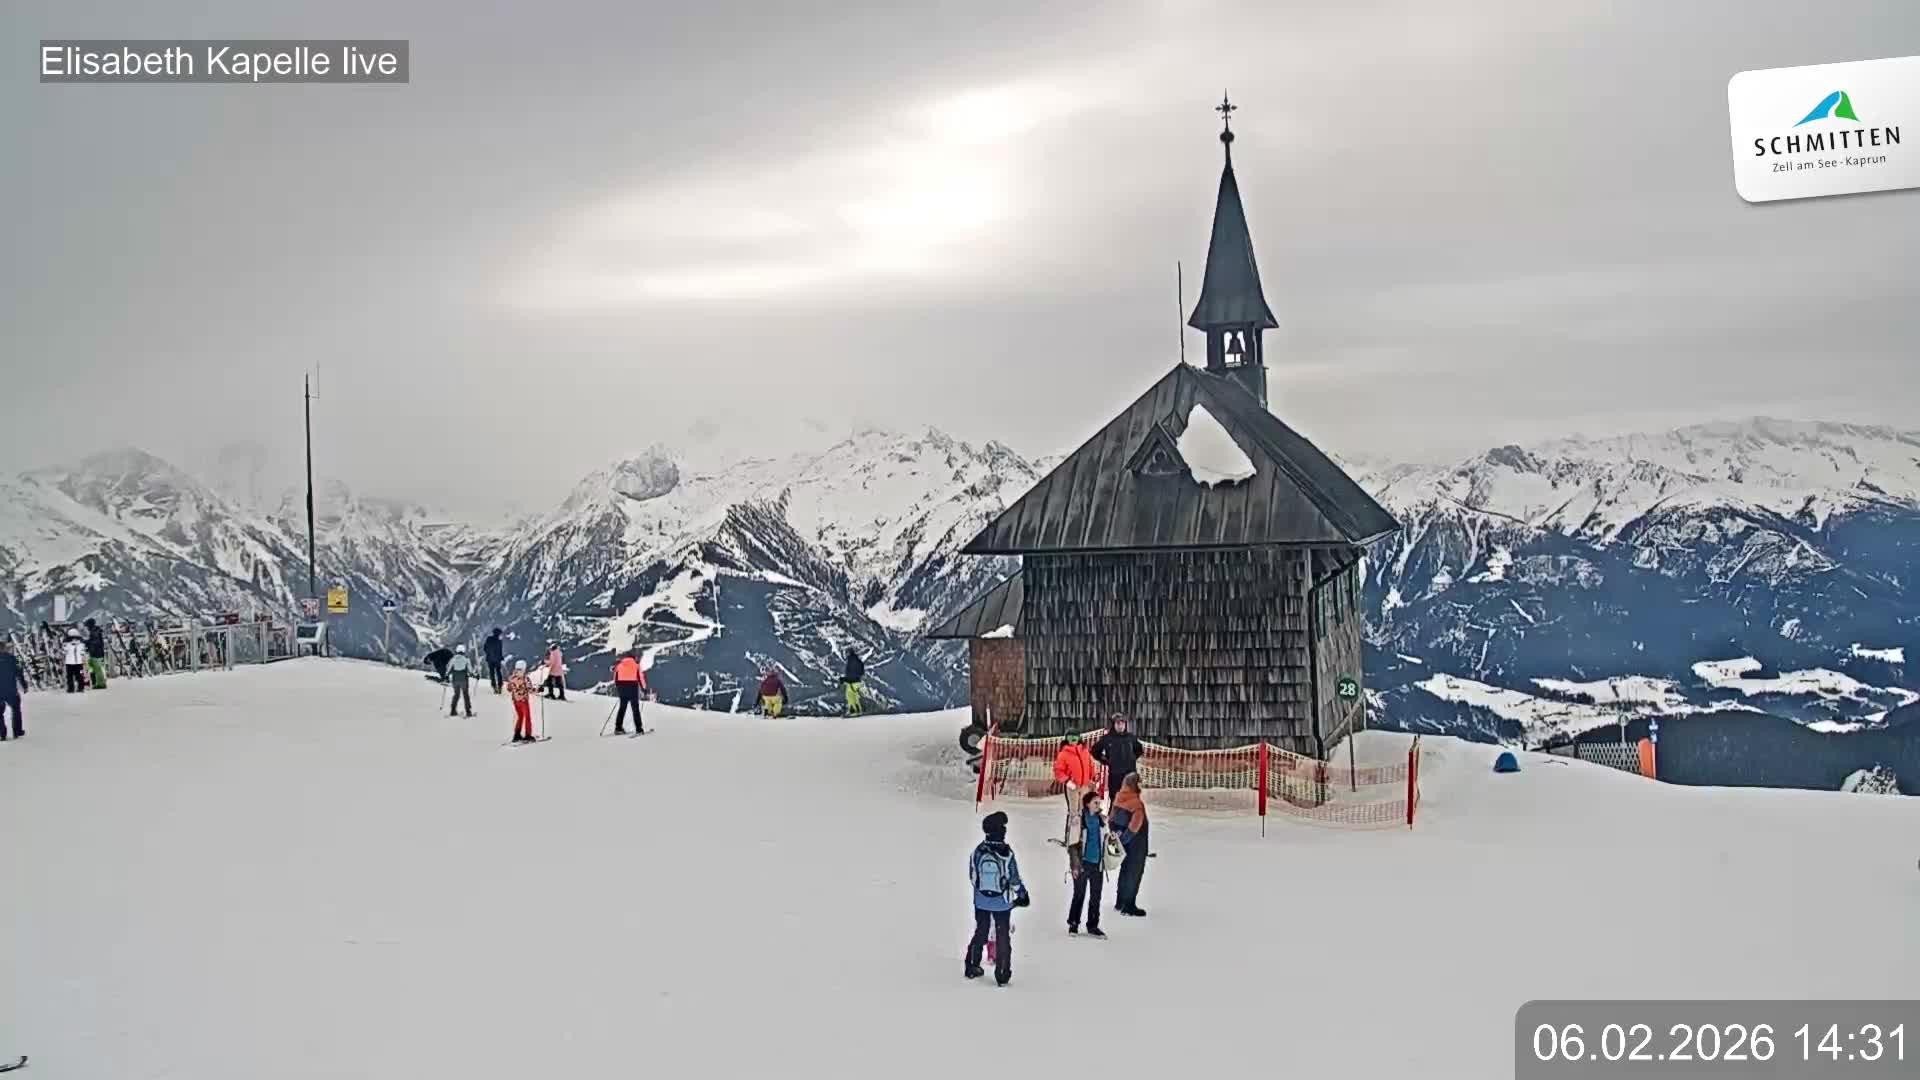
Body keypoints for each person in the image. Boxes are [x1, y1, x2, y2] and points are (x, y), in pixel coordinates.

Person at [965, 810, 1027, 986]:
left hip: (981, 901)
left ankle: (972, 965)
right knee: (1002, 937)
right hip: (1002, 903)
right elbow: (1014, 878)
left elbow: (973, 876)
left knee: (981, 931)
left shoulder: (978, 851)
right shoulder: (1006, 853)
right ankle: (1002, 972)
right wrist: (1022, 894)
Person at [1066, 790, 1109, 938]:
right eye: (1095, 802)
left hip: (1098, 864)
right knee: (1079, 894)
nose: (1098, 805)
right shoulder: (1079, 820)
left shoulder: (1102, 821)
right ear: (1087, 804)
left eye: (1099, 803)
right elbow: (1072, 845)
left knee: (1096, 896)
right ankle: (1073, 923)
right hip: (1083, 863)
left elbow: (1105, 841)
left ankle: (1093, 925)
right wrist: (1075, 865)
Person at [1109, 772, 1150, 917]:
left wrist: (1118, 842)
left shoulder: (1118, 797)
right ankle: (1129, 905)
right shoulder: (1136, 804)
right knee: (1134, 873)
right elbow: (1135, 826)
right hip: (1136, 846)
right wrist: (1126, 839)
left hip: (1122, 844)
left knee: (1124, 871)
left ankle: (1120, 902)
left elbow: (1111, 820)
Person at [1052, 732, 1098, 842]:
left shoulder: (1085, 751)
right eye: (1070, 737)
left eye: (1075, 737)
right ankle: (1070, 838)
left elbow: (1090, 765)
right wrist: (1067, 781)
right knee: (1074, 812)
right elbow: (1058, 770)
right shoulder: (1064, 753)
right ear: (1066, 739)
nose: (1073, 739)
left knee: (1084, 810)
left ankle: (1081, 836)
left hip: (1085, 786)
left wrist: (1093, 777)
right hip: (1072, 787)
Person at [1092, 713, 1143, 797]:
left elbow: (1139, 750)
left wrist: (1132, 759)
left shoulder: (1131, 738)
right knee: (1115, 799)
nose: (1121, 726)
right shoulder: (1107, 738)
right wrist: (1106, 761)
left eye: (1123, 723)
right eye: (1118, 723)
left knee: (1131, 798)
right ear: (1113, 724)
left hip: (1130, 774)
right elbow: (1095, 751)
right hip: (1115, 775)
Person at [612, 649, 649, 735]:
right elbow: (640, 678)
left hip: (622, 687)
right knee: (635, 708)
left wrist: (618, 688)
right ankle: (639, 729)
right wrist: (644, 689)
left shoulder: (619, 665)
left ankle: (618, 728)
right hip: (632, 687)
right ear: (633, 658)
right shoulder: (636, 665)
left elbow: (615, 678)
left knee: (622, 707)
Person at [0, 639, 28, 741]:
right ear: (4, 648)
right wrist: (24, 686)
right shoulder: (12, 659)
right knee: (16, 710)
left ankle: (2, 733)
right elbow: (19, 673)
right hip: (11, 689)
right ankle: (17, 731)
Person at [504, 660, 537, 743]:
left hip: (516, 701)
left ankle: (517, 734)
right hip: (524, 700)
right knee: (527, 717)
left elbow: (508, 689)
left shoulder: (512, 678)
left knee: (520, 717)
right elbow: (530, 689)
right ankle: (528, 735)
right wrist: (539, 690)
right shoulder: (525, 678)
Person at [447, 644, 474, 717]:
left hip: (455, 680)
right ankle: (468, 711)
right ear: (464, 651)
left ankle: (453, 710)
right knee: (465, 695)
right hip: (464, 680)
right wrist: (475, 675)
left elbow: (448, 670)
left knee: (456, 694)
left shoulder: (453, 659)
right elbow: (470, 671)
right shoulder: (466, 659)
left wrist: (446, 676)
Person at [83, 618, 109, 689]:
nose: (87, 628)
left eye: (87, 626)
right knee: (94, 669)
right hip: (96, 653)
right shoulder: (96, 631)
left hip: (96, 653)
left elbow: (95, 643)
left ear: (90, 625)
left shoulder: (94, 632)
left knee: (97, 669)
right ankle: (96, 683)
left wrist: (87, 643)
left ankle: (101, 684)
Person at [841, 650, 865, 716]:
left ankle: (853, 710)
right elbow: (861, 672)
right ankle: (858, 710)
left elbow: (850, 674)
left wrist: (844, 679)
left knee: (850, 696)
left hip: (852, 682)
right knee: (855, 696)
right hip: (858, 682)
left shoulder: (850, 662)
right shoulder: (859, 661)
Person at [482, 628, 505, 694]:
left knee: (492, 673)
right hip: (497, 659)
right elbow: (500, 651)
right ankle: (500, 686)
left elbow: (485, 648)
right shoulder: (499, 641)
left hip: (490, 659)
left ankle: (494, 686)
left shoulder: (489, 639)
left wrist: (488, 654)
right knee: (498, 672)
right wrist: (501, 657)